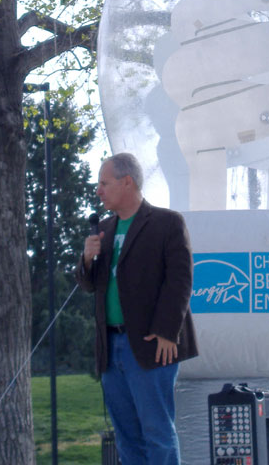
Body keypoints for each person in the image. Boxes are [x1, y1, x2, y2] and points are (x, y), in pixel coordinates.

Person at [76, 152, 198, 465]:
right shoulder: (102, 228)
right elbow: (90, 285)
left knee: (157, 432)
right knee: (126, 435)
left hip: (150, 345)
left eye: (104, 183)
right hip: (111, 346)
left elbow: (180, 281)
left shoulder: (167, 223)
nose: (98, 190)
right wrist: (87, 259)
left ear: (126, 181)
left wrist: (167, 332)